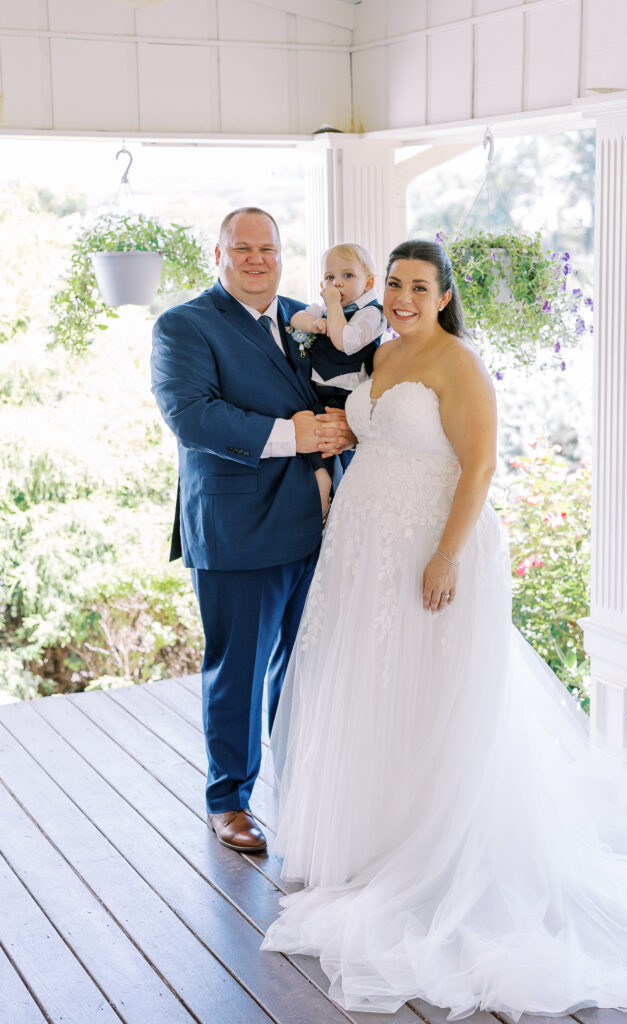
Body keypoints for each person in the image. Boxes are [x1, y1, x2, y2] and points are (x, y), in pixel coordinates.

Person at [261, 239, 627, 1018]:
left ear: (445, 293)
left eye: (419, 286)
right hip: (365, 546)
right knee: (374, 686)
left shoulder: (458, 362)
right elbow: (378, 432)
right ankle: (376, 842)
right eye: (392, 284)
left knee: (431, 695)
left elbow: (479, 466)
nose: (401, 298)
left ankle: (437, 850)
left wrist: (445, 556)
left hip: (432, 543)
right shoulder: (379, 355)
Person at [151, 207, 352, 854]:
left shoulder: (304, 315)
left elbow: (341, 387)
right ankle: (228, 801)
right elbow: (191, 416)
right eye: (242, 248)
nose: (256, 259)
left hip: (318, 524)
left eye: (267, 248)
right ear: (218, 255)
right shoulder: (183, 325)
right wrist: (291, 435)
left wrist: (342, 429)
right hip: (237, 527)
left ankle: (302, 789)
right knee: (236, 671)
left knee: (302, 670)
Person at [289, 243, 386, 469]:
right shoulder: (323, 309)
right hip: (316, 392)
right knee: (316, 447)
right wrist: (313, 324)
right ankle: (323, 495)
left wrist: (333, 305)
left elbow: (345, 341)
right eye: (330, 277)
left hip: (347, 396)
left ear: (368, 283)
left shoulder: (371, 314)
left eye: (348, 275)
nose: (337, 283)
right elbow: (296, 319)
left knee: (340, 447)